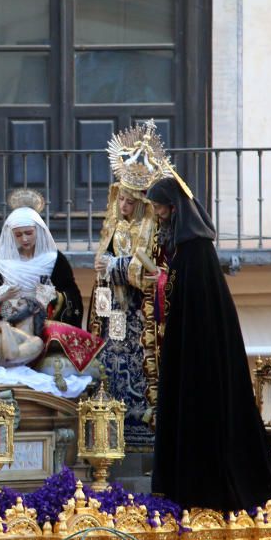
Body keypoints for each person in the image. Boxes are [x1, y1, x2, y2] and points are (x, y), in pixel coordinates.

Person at [147, 175, 271, 511]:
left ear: (174, 209)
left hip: (201, 359)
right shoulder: (186, 251)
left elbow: (200, 316)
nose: (157, 215)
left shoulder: (196, 252)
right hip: (188, 351)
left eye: (159, 208)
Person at [88, 121, 168, 448]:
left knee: (135, 368)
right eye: (120, 200)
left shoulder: (152, 232)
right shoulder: (114, 228)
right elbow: (101, 271)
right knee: (111, 365)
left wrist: (116, 266)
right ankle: (110, 425)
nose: (123, 207)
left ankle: (139, 425)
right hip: (112, 314)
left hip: (138, 315)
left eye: (130, 202)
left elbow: (147, 270)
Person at [0, 190, 101, 382]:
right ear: (11, 236)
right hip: (6, 320)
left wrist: (55, 298)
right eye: (18, 235)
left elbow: (72, 295)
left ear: (38, 231)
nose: (24, 239)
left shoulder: (54, 261)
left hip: (41, 323)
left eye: (28, 233)